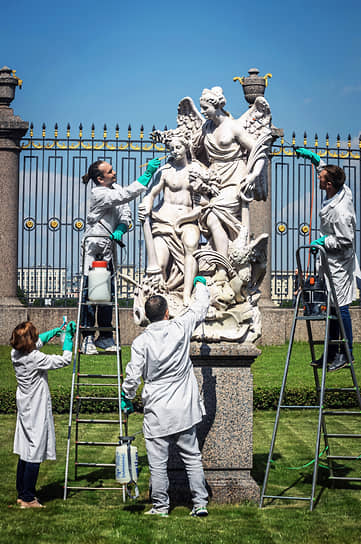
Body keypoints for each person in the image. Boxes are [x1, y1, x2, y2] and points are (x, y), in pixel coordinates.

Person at [122, 276, 210, 517]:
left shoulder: (141, 342)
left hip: (157, 409)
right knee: (192, 457)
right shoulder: (180, 327)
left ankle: (161, 506)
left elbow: (133, 375)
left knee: (158, 463)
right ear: (168, 312)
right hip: (183, 406)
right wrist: (200, 285)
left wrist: (127, 396)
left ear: (148, 317)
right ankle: (200, 503)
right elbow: (200, 308)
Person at [80, 158, 160, 354]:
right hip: (95, 245)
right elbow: (125, 196)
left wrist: (122, 227)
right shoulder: (98, 193)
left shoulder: (115, 188)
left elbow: (125, 211)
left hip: (108, 247)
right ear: (100, 179)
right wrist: (147, 176)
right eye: (110, 171)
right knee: (91, 292)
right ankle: (88, 337)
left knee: (108, 293)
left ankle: (105, 337)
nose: (114, 172)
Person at [296, 148, 361, 371]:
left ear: (330, 184)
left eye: (322, 178)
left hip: (340, 264)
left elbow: (346, 241)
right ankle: (332, 351)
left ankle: (347, 353)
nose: (319, 178)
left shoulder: (341, 210)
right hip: (330, 262)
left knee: (340, 307)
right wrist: (316, 161)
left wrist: (324, 242)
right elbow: (324, 171)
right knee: (332, 308)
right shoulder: (342, 190)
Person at [10, 320, 76, 508]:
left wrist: (55, 331)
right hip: (36, 407)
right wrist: (68, 338)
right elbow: (64, 360)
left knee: (25, 448)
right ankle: (29, 498)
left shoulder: (16, 353)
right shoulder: (35, 358)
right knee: (34, 451)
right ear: (30, 341)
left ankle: (22, 493)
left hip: (24, 406)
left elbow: (38, 342)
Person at [139, 135, 205, 305]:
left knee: (191, 246)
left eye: (178, 147)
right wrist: (146, 204)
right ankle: (161, 300)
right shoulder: (165, 171)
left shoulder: (195, 170)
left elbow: (202, 204)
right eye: (171, 148)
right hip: (163, 220)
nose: (174, 151)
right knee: (159, 264)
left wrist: (184, 219)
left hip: (188, 220)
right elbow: (151, 193)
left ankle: (187, 295)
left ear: (186, 148)